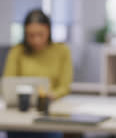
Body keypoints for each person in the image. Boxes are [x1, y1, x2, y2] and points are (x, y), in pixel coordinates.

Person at [3, 9, 73, 138]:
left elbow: (65, 86)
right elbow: (7, 83)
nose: (36, 40)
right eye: (31, 35)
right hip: (20, 112)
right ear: (25, 33)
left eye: (41, 34)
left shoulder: (62, 51)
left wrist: (52, 95)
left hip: (50, 111)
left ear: (49, 31)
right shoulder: (17, 51)